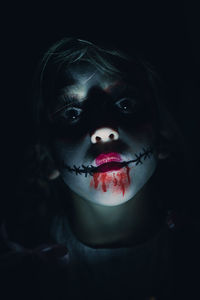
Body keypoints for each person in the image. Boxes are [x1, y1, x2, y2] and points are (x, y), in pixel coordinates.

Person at [1, 38, 199, 300]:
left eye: (125, 104)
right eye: (72, 113)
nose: (102, 130)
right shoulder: (25, 271)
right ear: (47, 155)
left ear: (163, 133)